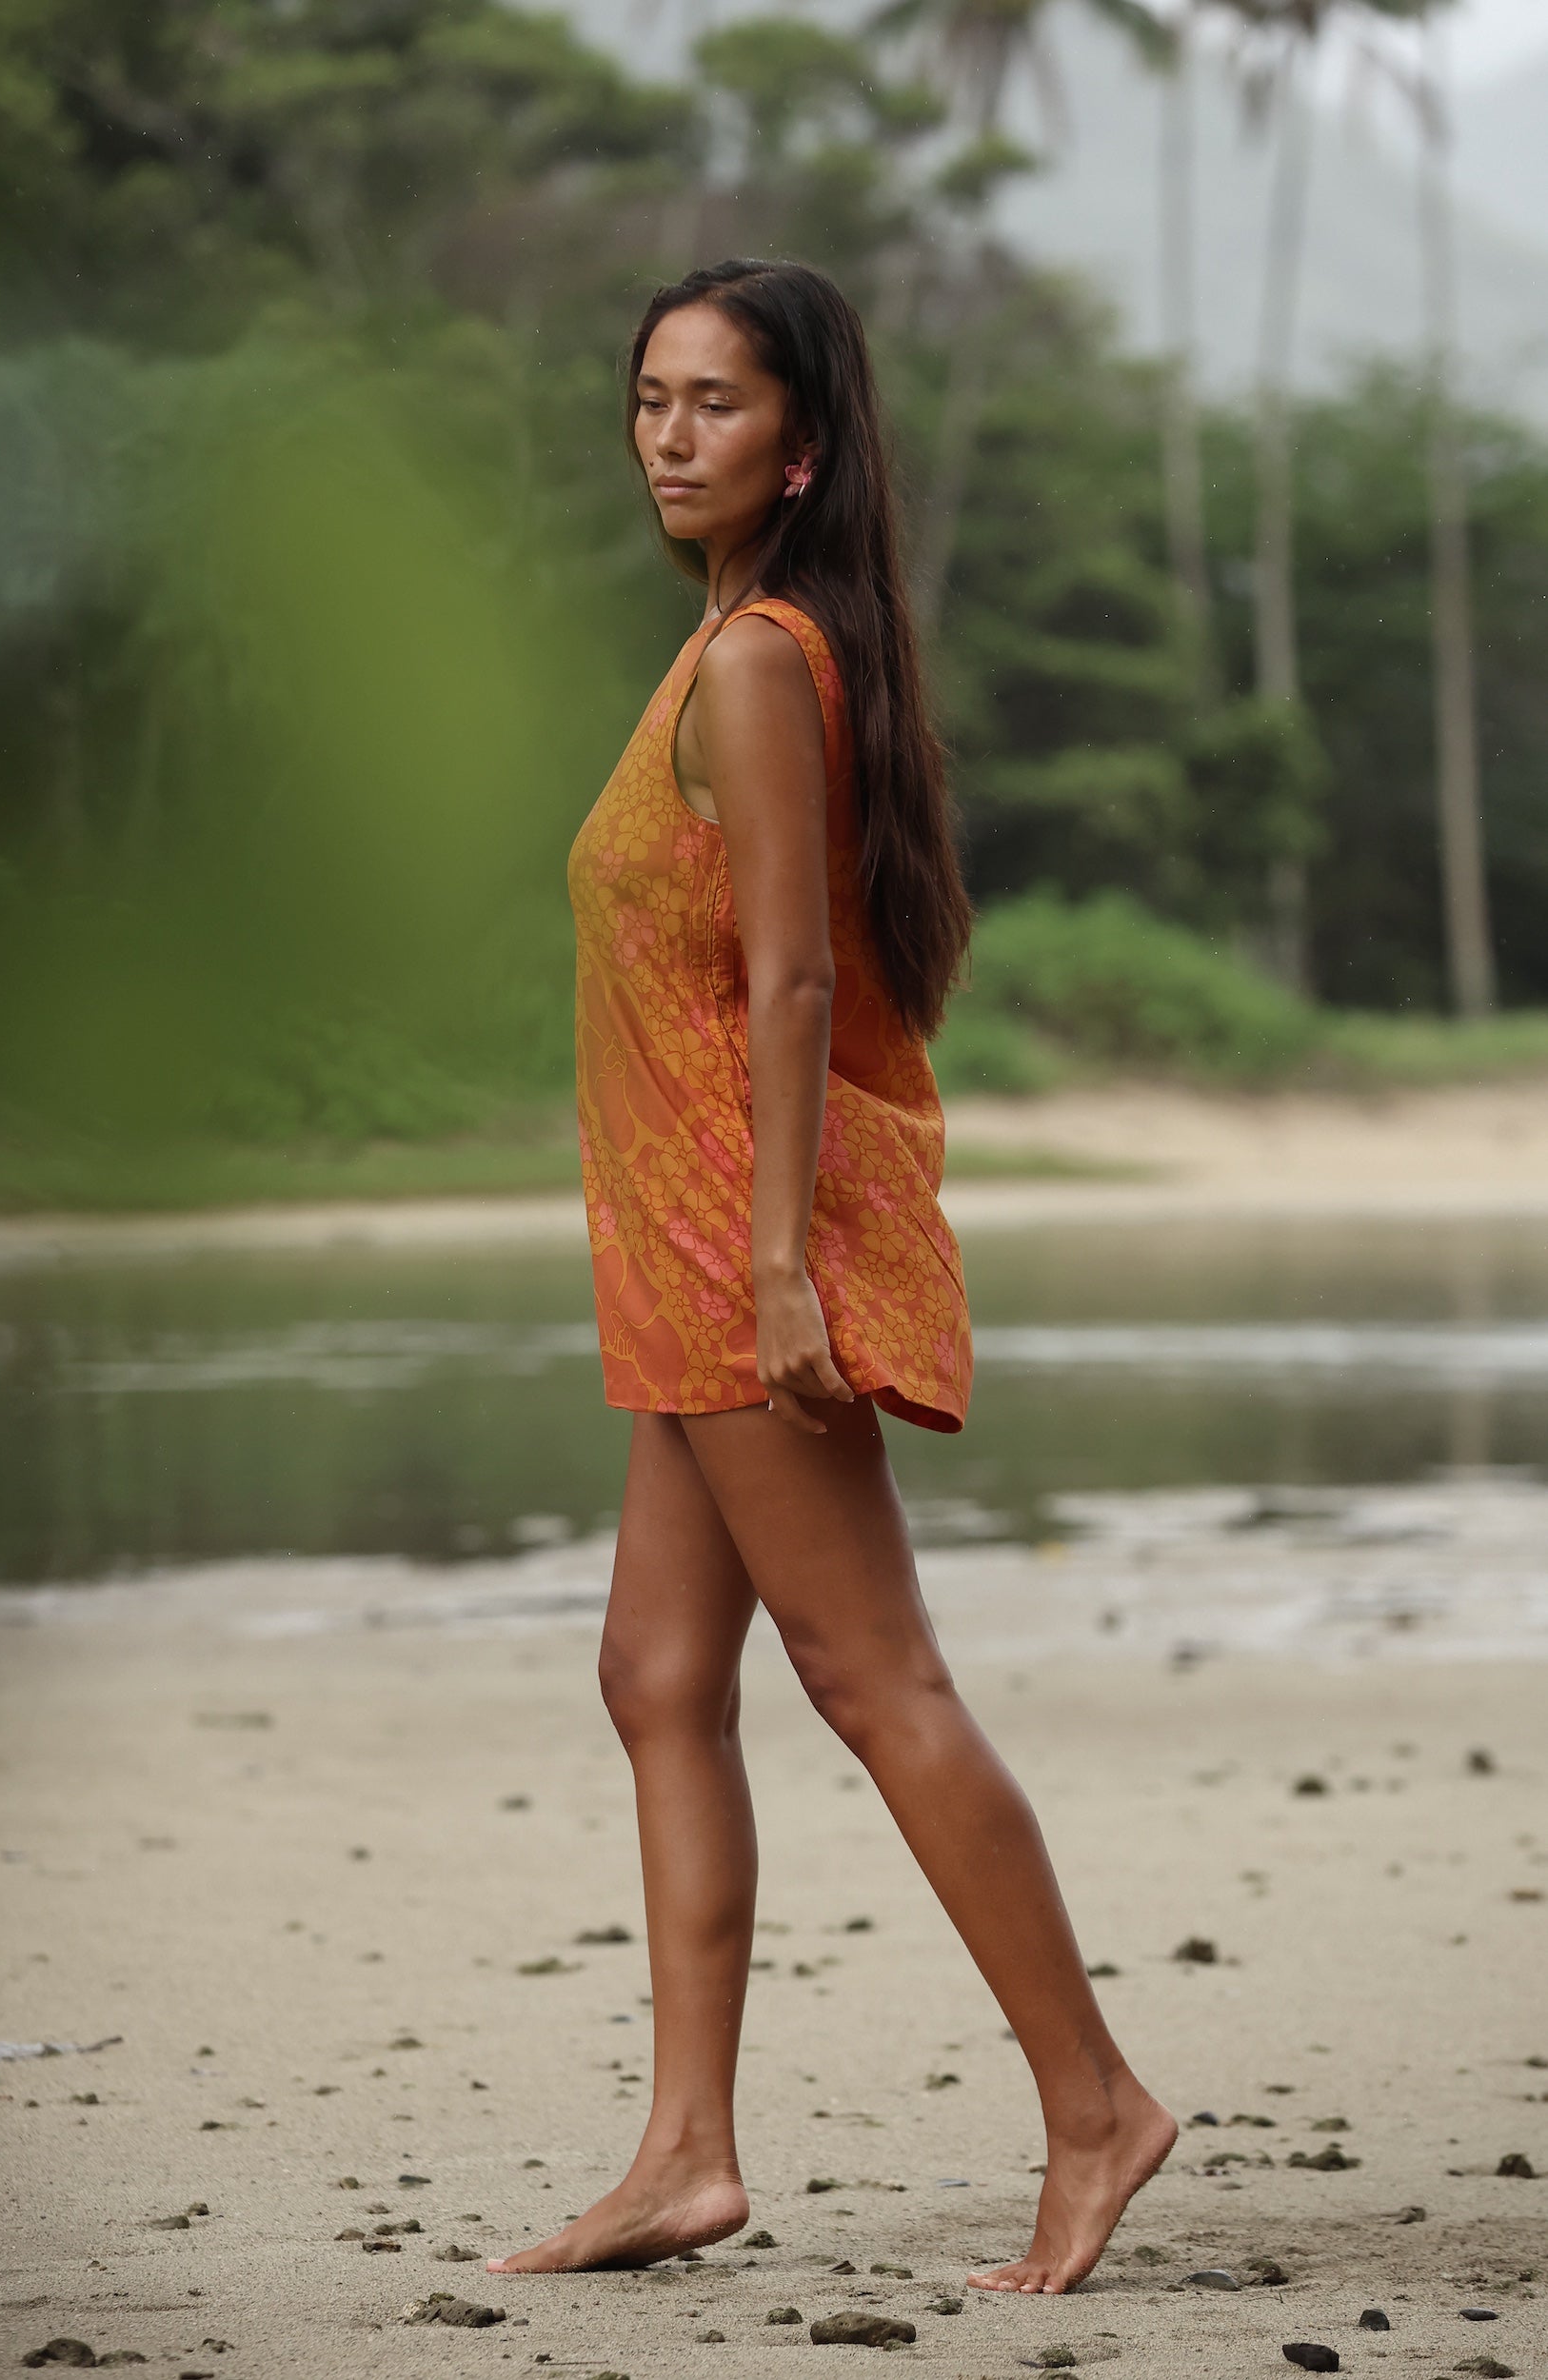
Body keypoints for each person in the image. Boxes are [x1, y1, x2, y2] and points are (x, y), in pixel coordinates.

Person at [486, 258, 1175, 2298]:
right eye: (649, 397)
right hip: (679, 1245)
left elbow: (791, 976)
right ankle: (687, 2154)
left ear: (802, 447)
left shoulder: (760, 667)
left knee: (875, 1678)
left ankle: (1095, 2103)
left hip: (732, 1239)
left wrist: (782, 1267)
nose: (668, 434)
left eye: (714, 403)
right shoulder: (720, 650)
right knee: (656, 1676)